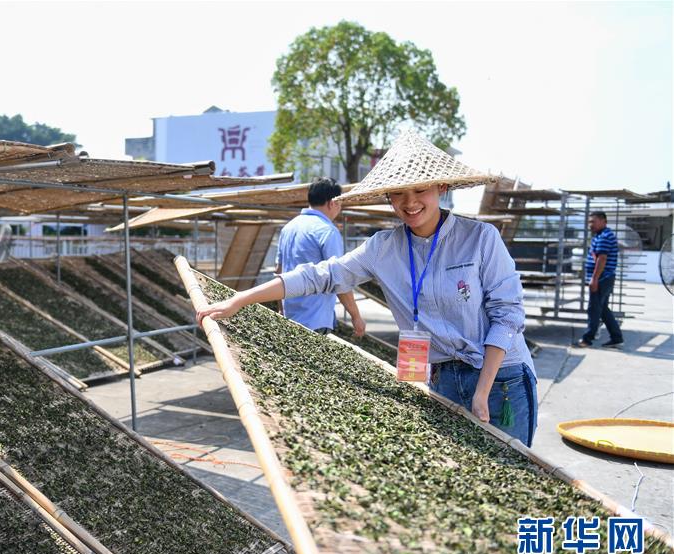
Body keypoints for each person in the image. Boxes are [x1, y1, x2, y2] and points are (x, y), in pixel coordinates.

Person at [197, 130, 538, 446]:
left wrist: (482, 391)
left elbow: (508, 315)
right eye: (398, 193)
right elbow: (322, 275)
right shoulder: (383, 248)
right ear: (388, 197)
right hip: (441, 379)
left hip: (500, 378)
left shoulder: (479, 239)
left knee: (510, 472)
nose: (410, 202)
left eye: (420, 190)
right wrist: (241, 299)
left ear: (442, 187)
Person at [275, 176, 366, 337]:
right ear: (332, 203)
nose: (339, 208)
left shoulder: (288, 228)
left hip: (289, 315)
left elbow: (279, 271)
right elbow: (339, 277)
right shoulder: (327, 231)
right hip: (314, 319)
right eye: (340, 203)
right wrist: (356, 316)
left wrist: (281, 308)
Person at [574, 211, 623, 349]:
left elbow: (602, 259)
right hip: (604, 277)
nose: (590, 225)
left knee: (594, 309)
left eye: (593, 221)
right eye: (589, 222)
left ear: (603, 221)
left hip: (602, 278)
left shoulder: (604, 237)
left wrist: (594, 279)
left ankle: (587, 339)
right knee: (603, 309)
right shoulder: (600, 235)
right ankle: (617, 338)